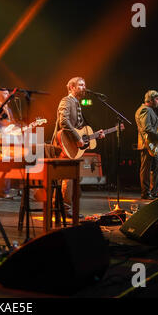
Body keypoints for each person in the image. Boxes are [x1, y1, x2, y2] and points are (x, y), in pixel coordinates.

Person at [52, 77, 105, 216]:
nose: (84, 87)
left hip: (71, 145)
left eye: (84, 85)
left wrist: (94, 134)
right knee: (67, 177)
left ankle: (62, 208)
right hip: (64, 145)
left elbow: (79, 128)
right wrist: (77, 138)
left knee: (69, 179)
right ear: (71, 87)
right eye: (80, 85)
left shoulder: (76, 103)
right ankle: (64, 209)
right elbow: (64, 121)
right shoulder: (66, 101)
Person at [135, 90, 158, 200]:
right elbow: (147, 128)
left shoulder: (149, 110)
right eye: (157, 99)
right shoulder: (145, 110)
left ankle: (154, 192)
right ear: (150, 100)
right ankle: (146, 193)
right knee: (146, 169)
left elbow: (151, 128)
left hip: (152, 144)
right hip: (147, 144)